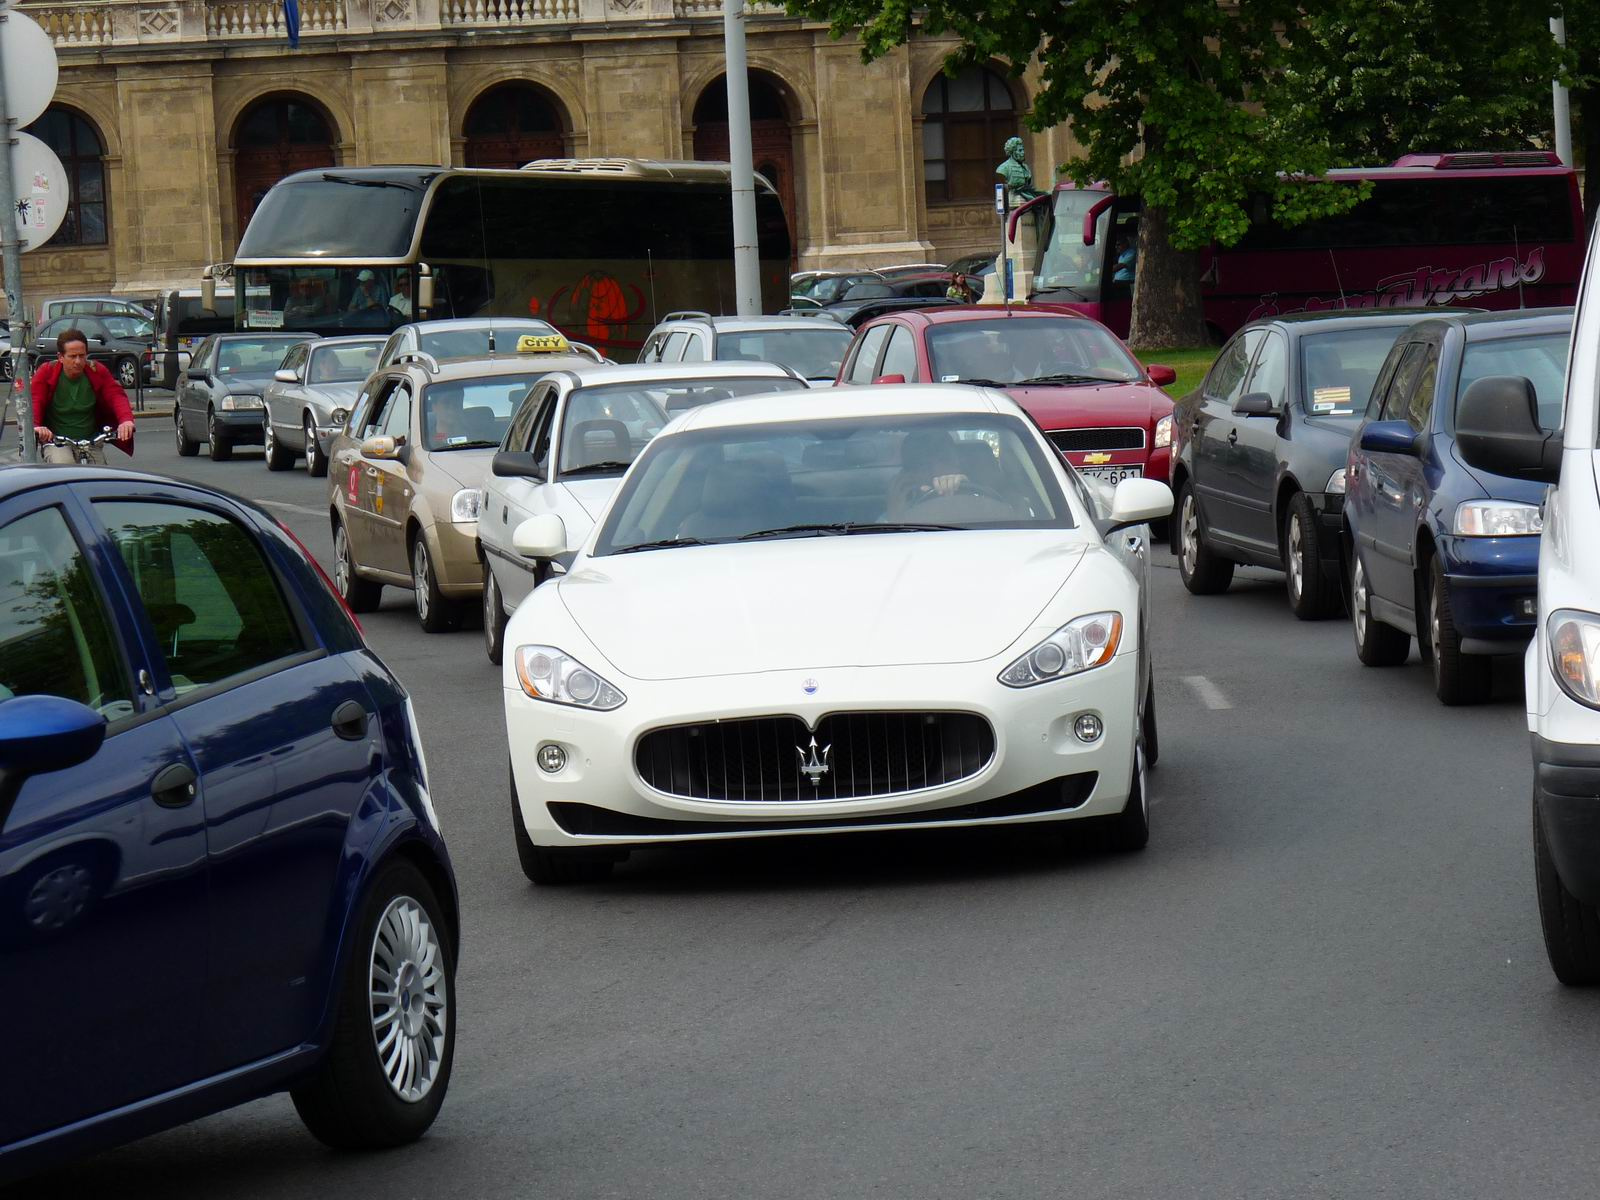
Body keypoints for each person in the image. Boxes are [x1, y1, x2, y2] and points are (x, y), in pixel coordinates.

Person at [31, 328, 135, 463]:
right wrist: (37, 426)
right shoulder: (47, 372)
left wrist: (126, 420)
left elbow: (116, 395)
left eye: (82, 355)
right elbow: (35, 401)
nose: (78, 361)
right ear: (60, 357)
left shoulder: (96, 370)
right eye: (72, 356)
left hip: (90, 441)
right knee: (64, 465)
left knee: (100, 477)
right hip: (57, 442)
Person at [887, 429, 968, 519]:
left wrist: (966, 492)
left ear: (958, 465)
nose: (935, 471)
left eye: (944, 459)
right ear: (908, 475)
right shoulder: (897, 506)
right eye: (923, 465)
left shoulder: (977, 500)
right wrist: (896, 511)